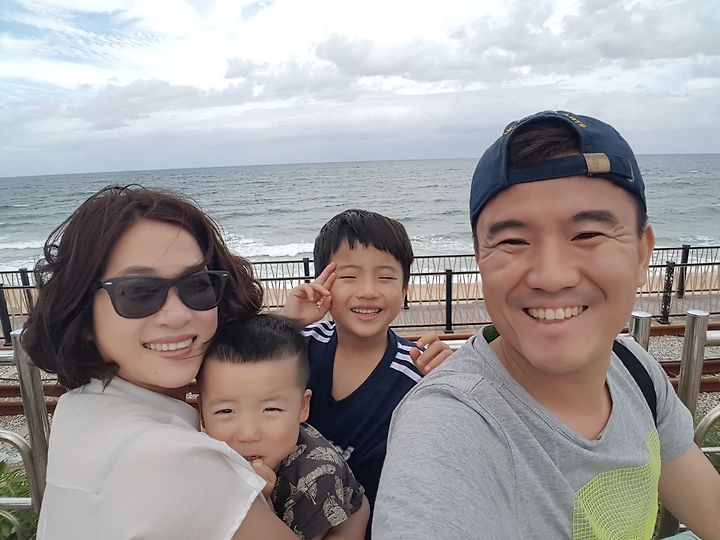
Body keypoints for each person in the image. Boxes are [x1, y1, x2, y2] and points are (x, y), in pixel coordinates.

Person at [372, 111, 720, 539]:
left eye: (587, 234)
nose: (551, 276)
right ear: (481, 261)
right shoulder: (449, 428)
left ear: (642, 254)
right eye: (513, 241)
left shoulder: (634, 370)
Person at [22, 185, 301, 539]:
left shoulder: (78, 410)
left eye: (197, 285)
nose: (178, 315)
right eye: (138, 292)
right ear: (84, 314)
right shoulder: (177, 460)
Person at [282, 209, 453, 511]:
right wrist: (288, 323)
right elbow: (242, 374)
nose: (368, 291)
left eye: (385, 277)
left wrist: (453, 381)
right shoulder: (299, 344)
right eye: (349, 276)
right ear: (323, 284)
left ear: (404, 291)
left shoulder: (417, 372)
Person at [198, 314, 370, 540]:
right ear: (201, 412)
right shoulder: (196, 453)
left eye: (271, 409)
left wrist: (260, 500)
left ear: (302, 407)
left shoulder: (316, 477)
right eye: (225, 411)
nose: (248, 434)